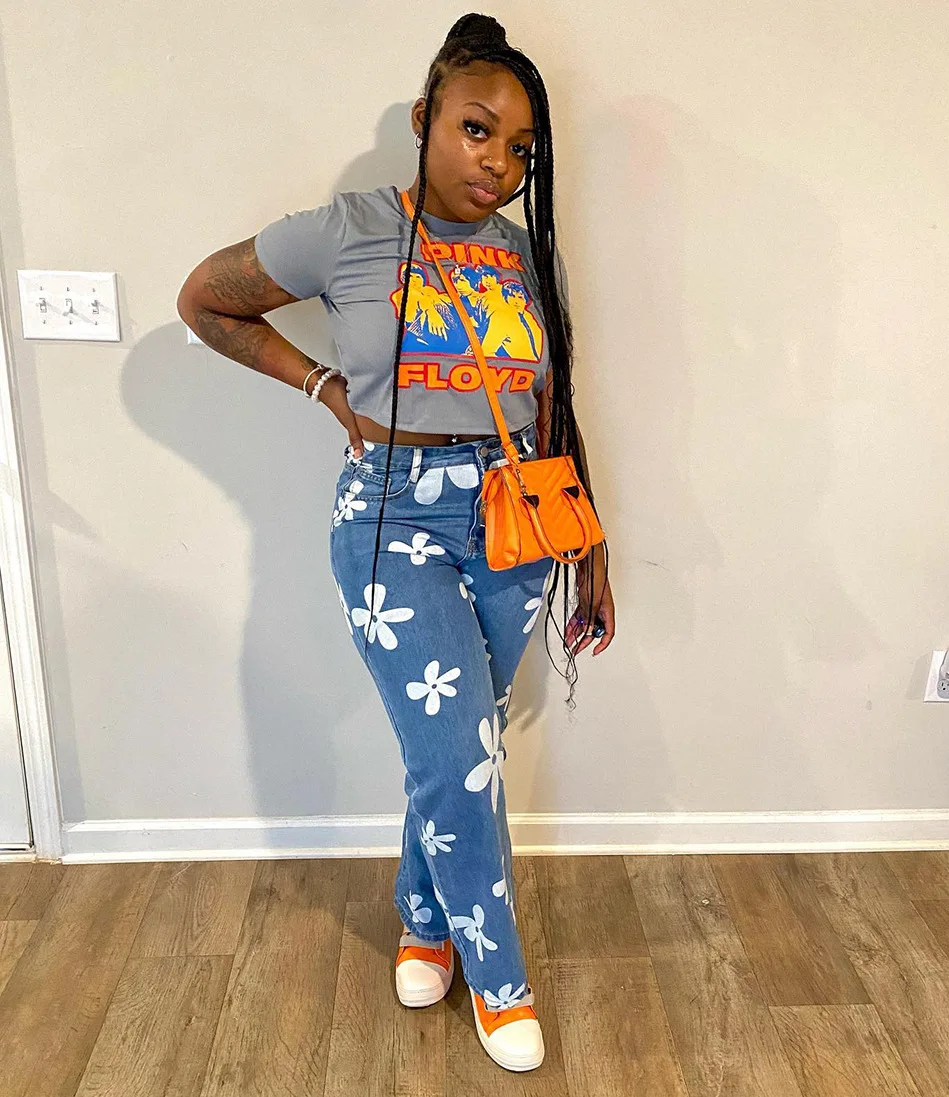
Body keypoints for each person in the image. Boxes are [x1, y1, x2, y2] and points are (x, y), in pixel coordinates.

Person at [177, 11, 615, 1074]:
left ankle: (423, 919)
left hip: (514, 515)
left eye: (520, 148)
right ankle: (500, 979)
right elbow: (207, 302)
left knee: (460, 746)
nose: (498, 164)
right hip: (391, 515)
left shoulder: (524, 255)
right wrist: (324, 386)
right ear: (425, 119)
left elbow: (551, 402)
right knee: (460, 753)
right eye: (477, 129)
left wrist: (592, 539)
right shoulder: (348, 230)